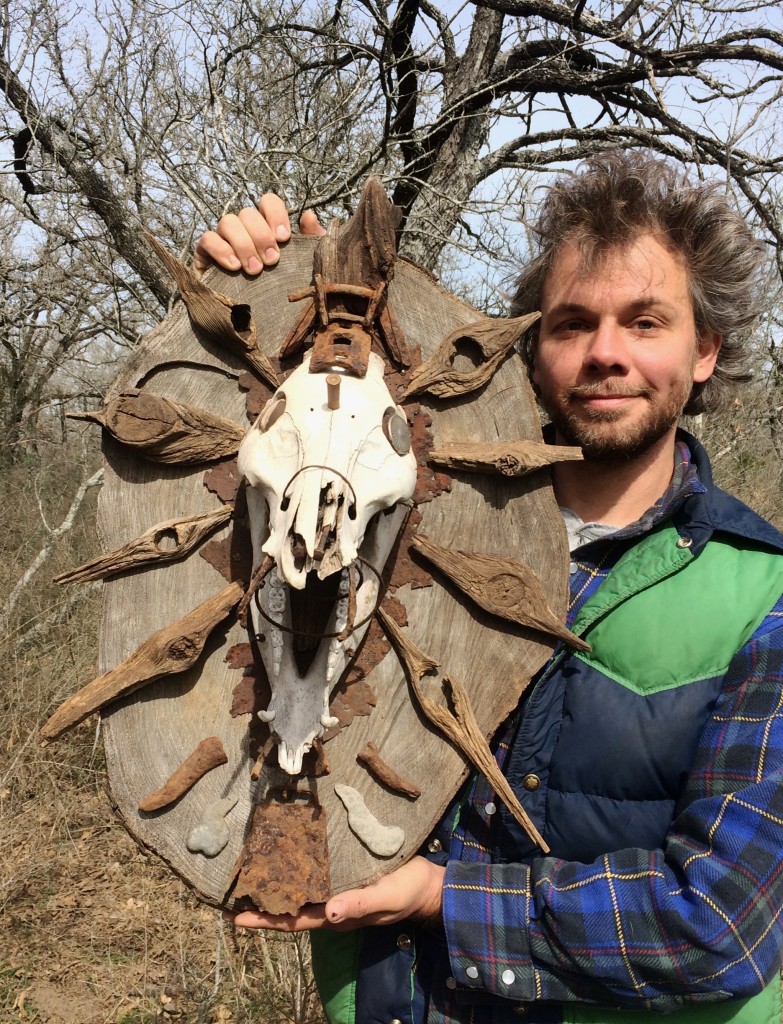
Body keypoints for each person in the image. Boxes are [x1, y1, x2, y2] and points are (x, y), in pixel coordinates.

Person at [195, 153, 783, 1024]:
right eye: (571, 323)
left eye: (644, 321)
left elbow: (720, 924)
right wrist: (282, 277)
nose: (605, 354)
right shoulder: (410, 523)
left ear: (704, 352)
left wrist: (443, 897)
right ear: (530, 352)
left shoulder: (759, 593)